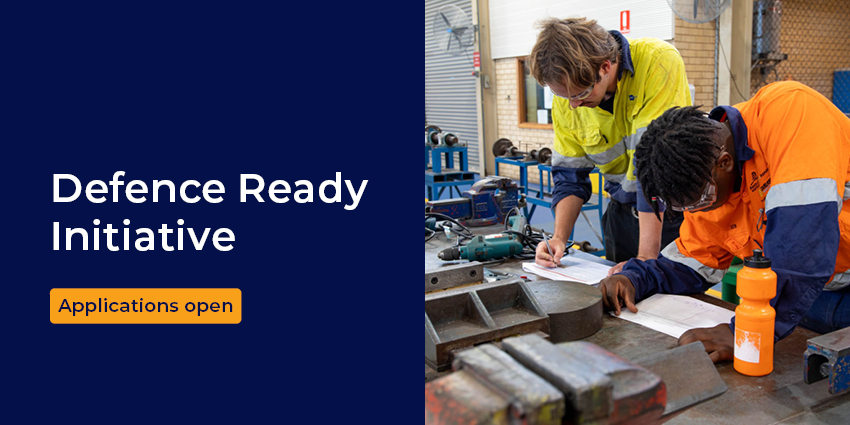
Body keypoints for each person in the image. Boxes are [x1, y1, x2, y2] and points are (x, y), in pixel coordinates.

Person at [600, 81, 850, 363]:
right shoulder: (707, 180)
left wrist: (746, 333)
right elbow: (691, 261)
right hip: (812, 297)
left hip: (812, 287)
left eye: (697, 202)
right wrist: (634, 278)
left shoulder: (790, 111)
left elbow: (804, 247)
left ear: (725, 162)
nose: (697, 211)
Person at [528, 17, 691, 271]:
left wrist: (646, 261)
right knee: (616, 301)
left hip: (670, 216)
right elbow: (570, 175)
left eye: (580, 94)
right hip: (621, 216)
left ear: (605, 67)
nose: (573, 104)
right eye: (564, 96)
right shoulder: (569, 95)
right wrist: (558, 239)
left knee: (672, 303)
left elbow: (652, 167)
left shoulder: (658, 61)